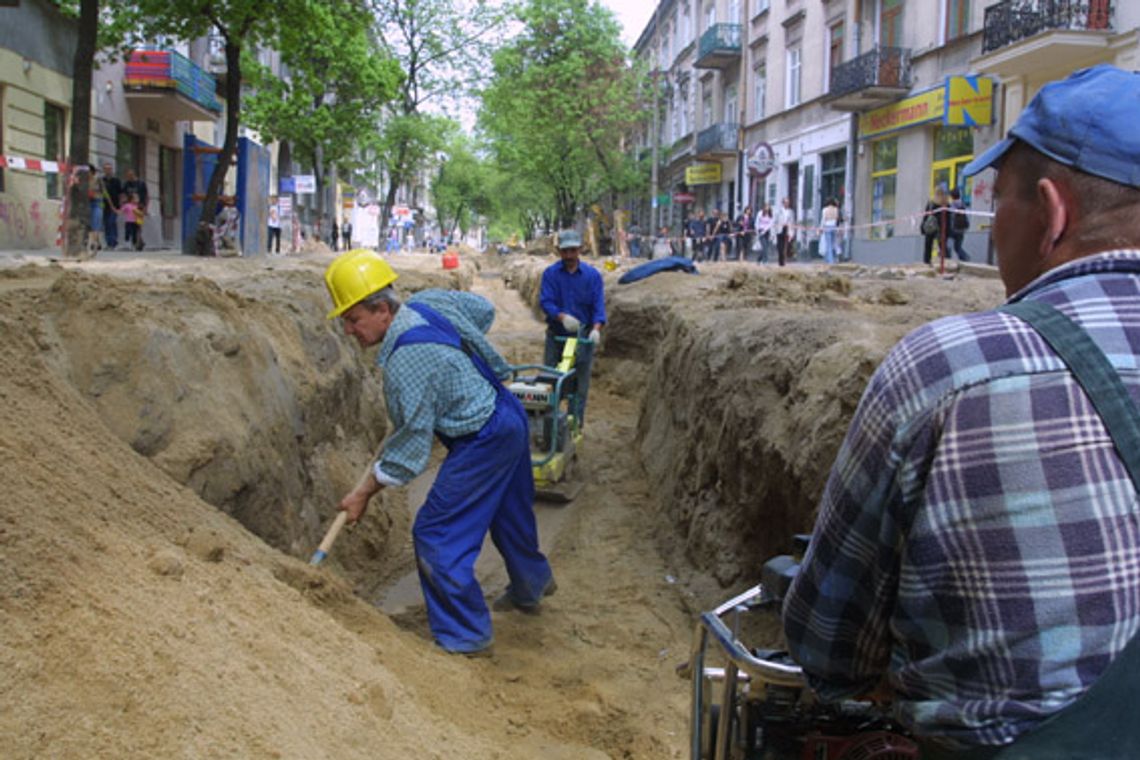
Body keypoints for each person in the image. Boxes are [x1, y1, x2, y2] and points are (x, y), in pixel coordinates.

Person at [782, 64, 1140, 758]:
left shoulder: (950, 367)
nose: (989, 221)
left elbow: (829, 648)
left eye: (998, 198)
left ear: (1052, 212)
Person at [324, 250, 554, 656]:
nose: (348, 330)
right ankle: (531, 587)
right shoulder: (428, 302)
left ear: (381, 310)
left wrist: (362, 494)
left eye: (353, 319)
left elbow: (409, 454)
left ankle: (465, 638)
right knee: (508, 514)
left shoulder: (405, 363)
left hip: (482, 437)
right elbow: (480, 311)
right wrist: (453, 364)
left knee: (436, 534)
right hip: (507, 414)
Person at [539, 229, 606, 426]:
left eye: (573, 251)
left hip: (583, 336)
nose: (569, 256)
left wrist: (596, 329)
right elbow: (546, 301)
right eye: (565, 251)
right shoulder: (551, 274)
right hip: (557, 334)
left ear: (580, 250)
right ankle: (549, 425)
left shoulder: (592, 276)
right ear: (559, 251)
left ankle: (575, 424)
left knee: (579, 384)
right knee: (550, 381)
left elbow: (598, 307)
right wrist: (561, 317)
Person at [922, 186, 951, 265]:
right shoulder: (946, 203)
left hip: (931, 226)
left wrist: (923, 227)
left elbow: (926, 215)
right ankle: (946, 261)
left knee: (928, 244)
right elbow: (949, 218)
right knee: (942, 245)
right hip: (941, 227)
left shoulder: (931, 202)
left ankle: (927, 261)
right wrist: (948, 230)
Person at [946, 188, 972, 262]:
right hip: (962, 229)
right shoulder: (963, 204)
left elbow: (951, 217)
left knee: (948, 246)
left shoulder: (952, 205)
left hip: (953, 229)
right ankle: (965, 258)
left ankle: (948, 260)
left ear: (952, 196)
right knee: (957, 247)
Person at [100, 162, 121, 250]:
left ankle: (113, 242)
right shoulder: (101, 181)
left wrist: (120, 206)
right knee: (106, 224)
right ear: (104, 170)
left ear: (112, 170)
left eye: (109, 169)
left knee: (111, 222)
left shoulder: (116, 181)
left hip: (115, 205)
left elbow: (120, 194)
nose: (108, 170)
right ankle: (109, 243)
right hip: (104, 205)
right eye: (106, 169)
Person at [775, 197, 796, 266]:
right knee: (780, 247)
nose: (787, 204)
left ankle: (783, 262)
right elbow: (775, 221)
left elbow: (792, 222)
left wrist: (791, 232)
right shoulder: (779, 211)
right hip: (780, 229)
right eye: (785, 202)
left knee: (785, 247)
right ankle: (780, 261)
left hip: (787, 229)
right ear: (783, 203)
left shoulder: (791, 212)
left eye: (788, 202)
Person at [819, 197, 839, 264]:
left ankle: (830, 260)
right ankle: (831, 258)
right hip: (833, 226)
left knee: (828, 244)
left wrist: (821, 228)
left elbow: (823, 219)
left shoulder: (825, 210)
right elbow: (836, 219)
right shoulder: (836, 209)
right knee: (833, 243)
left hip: (827, 226)